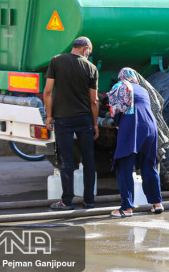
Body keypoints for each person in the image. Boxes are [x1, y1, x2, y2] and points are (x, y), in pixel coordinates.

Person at [44, 36, 99, 211]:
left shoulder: (56, 61)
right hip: (84, 120)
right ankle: (89, 201)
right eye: (89, 51)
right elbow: (94, 101)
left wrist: (49, 116)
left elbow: (47, 92)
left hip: (62, 119)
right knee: (88, 160)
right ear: (85, 49)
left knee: (66, 161)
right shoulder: (91, 68)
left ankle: (67, 201)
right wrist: (95, 124)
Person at [108, 68, 163, 217]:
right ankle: (157, 203)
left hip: (133, 125)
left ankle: (126, 208)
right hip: (151, 127)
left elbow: (117, 111)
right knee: (148, 165)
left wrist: (118, 123)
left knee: (123, 164)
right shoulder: (143, 89)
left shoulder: (119, 86)